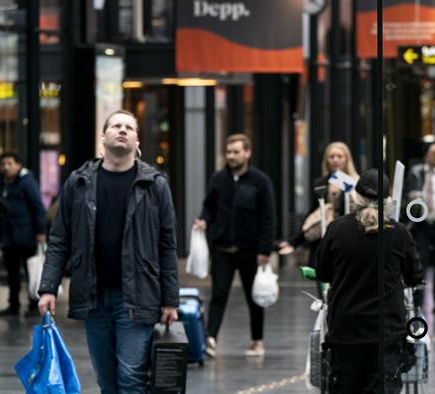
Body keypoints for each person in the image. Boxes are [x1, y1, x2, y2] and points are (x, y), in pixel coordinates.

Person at [38, 109, 179, 393]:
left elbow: (167, 245)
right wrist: (48, 288)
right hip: (94, 296)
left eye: (129, 126)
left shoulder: (155, 185)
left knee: (131, 378)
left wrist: (170, 300)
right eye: (116, 125)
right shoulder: (79, 183)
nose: (122, 130)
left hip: (138, 295)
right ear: (103, 136)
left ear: (137, 139)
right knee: (107, 380)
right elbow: (60, 239)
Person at [316, 168, 423, 393]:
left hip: (345, 330)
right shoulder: (399, 233)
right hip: (386, 332)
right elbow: (415, 276)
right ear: (388, 200)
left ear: (355, 197)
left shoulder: (337, 230)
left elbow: (323, 274)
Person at [194, 133, 276, 357]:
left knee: (254, 297)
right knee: (219, 294)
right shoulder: (218, 179)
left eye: (236, 152)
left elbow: (268, 218)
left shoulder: (261, 181)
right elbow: (209, 206)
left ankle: (257, 340)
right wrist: (203, 219)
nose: (231, 156)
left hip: (250, 250)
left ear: (247, 153)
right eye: (228, 152)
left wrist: (264, 250)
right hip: (222, 249)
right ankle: (210, 339)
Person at [278, 141, 359, 263]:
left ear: (347, 159)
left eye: (339, 156)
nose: (335, 160)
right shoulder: (321, 183)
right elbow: (313, 213)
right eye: (331, 156)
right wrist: (294, 242)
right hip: (323, 238)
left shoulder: (354, 182)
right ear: (326, 160)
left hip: (346, 238)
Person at [0, 152, 46, 317]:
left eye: (9, 163)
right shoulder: (1, 182)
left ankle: (34, 304)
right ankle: (13, 305)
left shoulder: (26, 181)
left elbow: (38, 207)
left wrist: (40, 231)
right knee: (12, 273)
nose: (6, 167)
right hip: (8, 236)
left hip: (27, 236)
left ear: (18, 164)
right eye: (3, 164)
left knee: (31, 271)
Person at [405, 141, 435, 313]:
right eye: (433, 152)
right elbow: (407, 195)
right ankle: (418, 301)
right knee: (420, 262)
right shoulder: (416, 172)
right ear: (425, 155)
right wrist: (413, 197)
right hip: (421, 224)